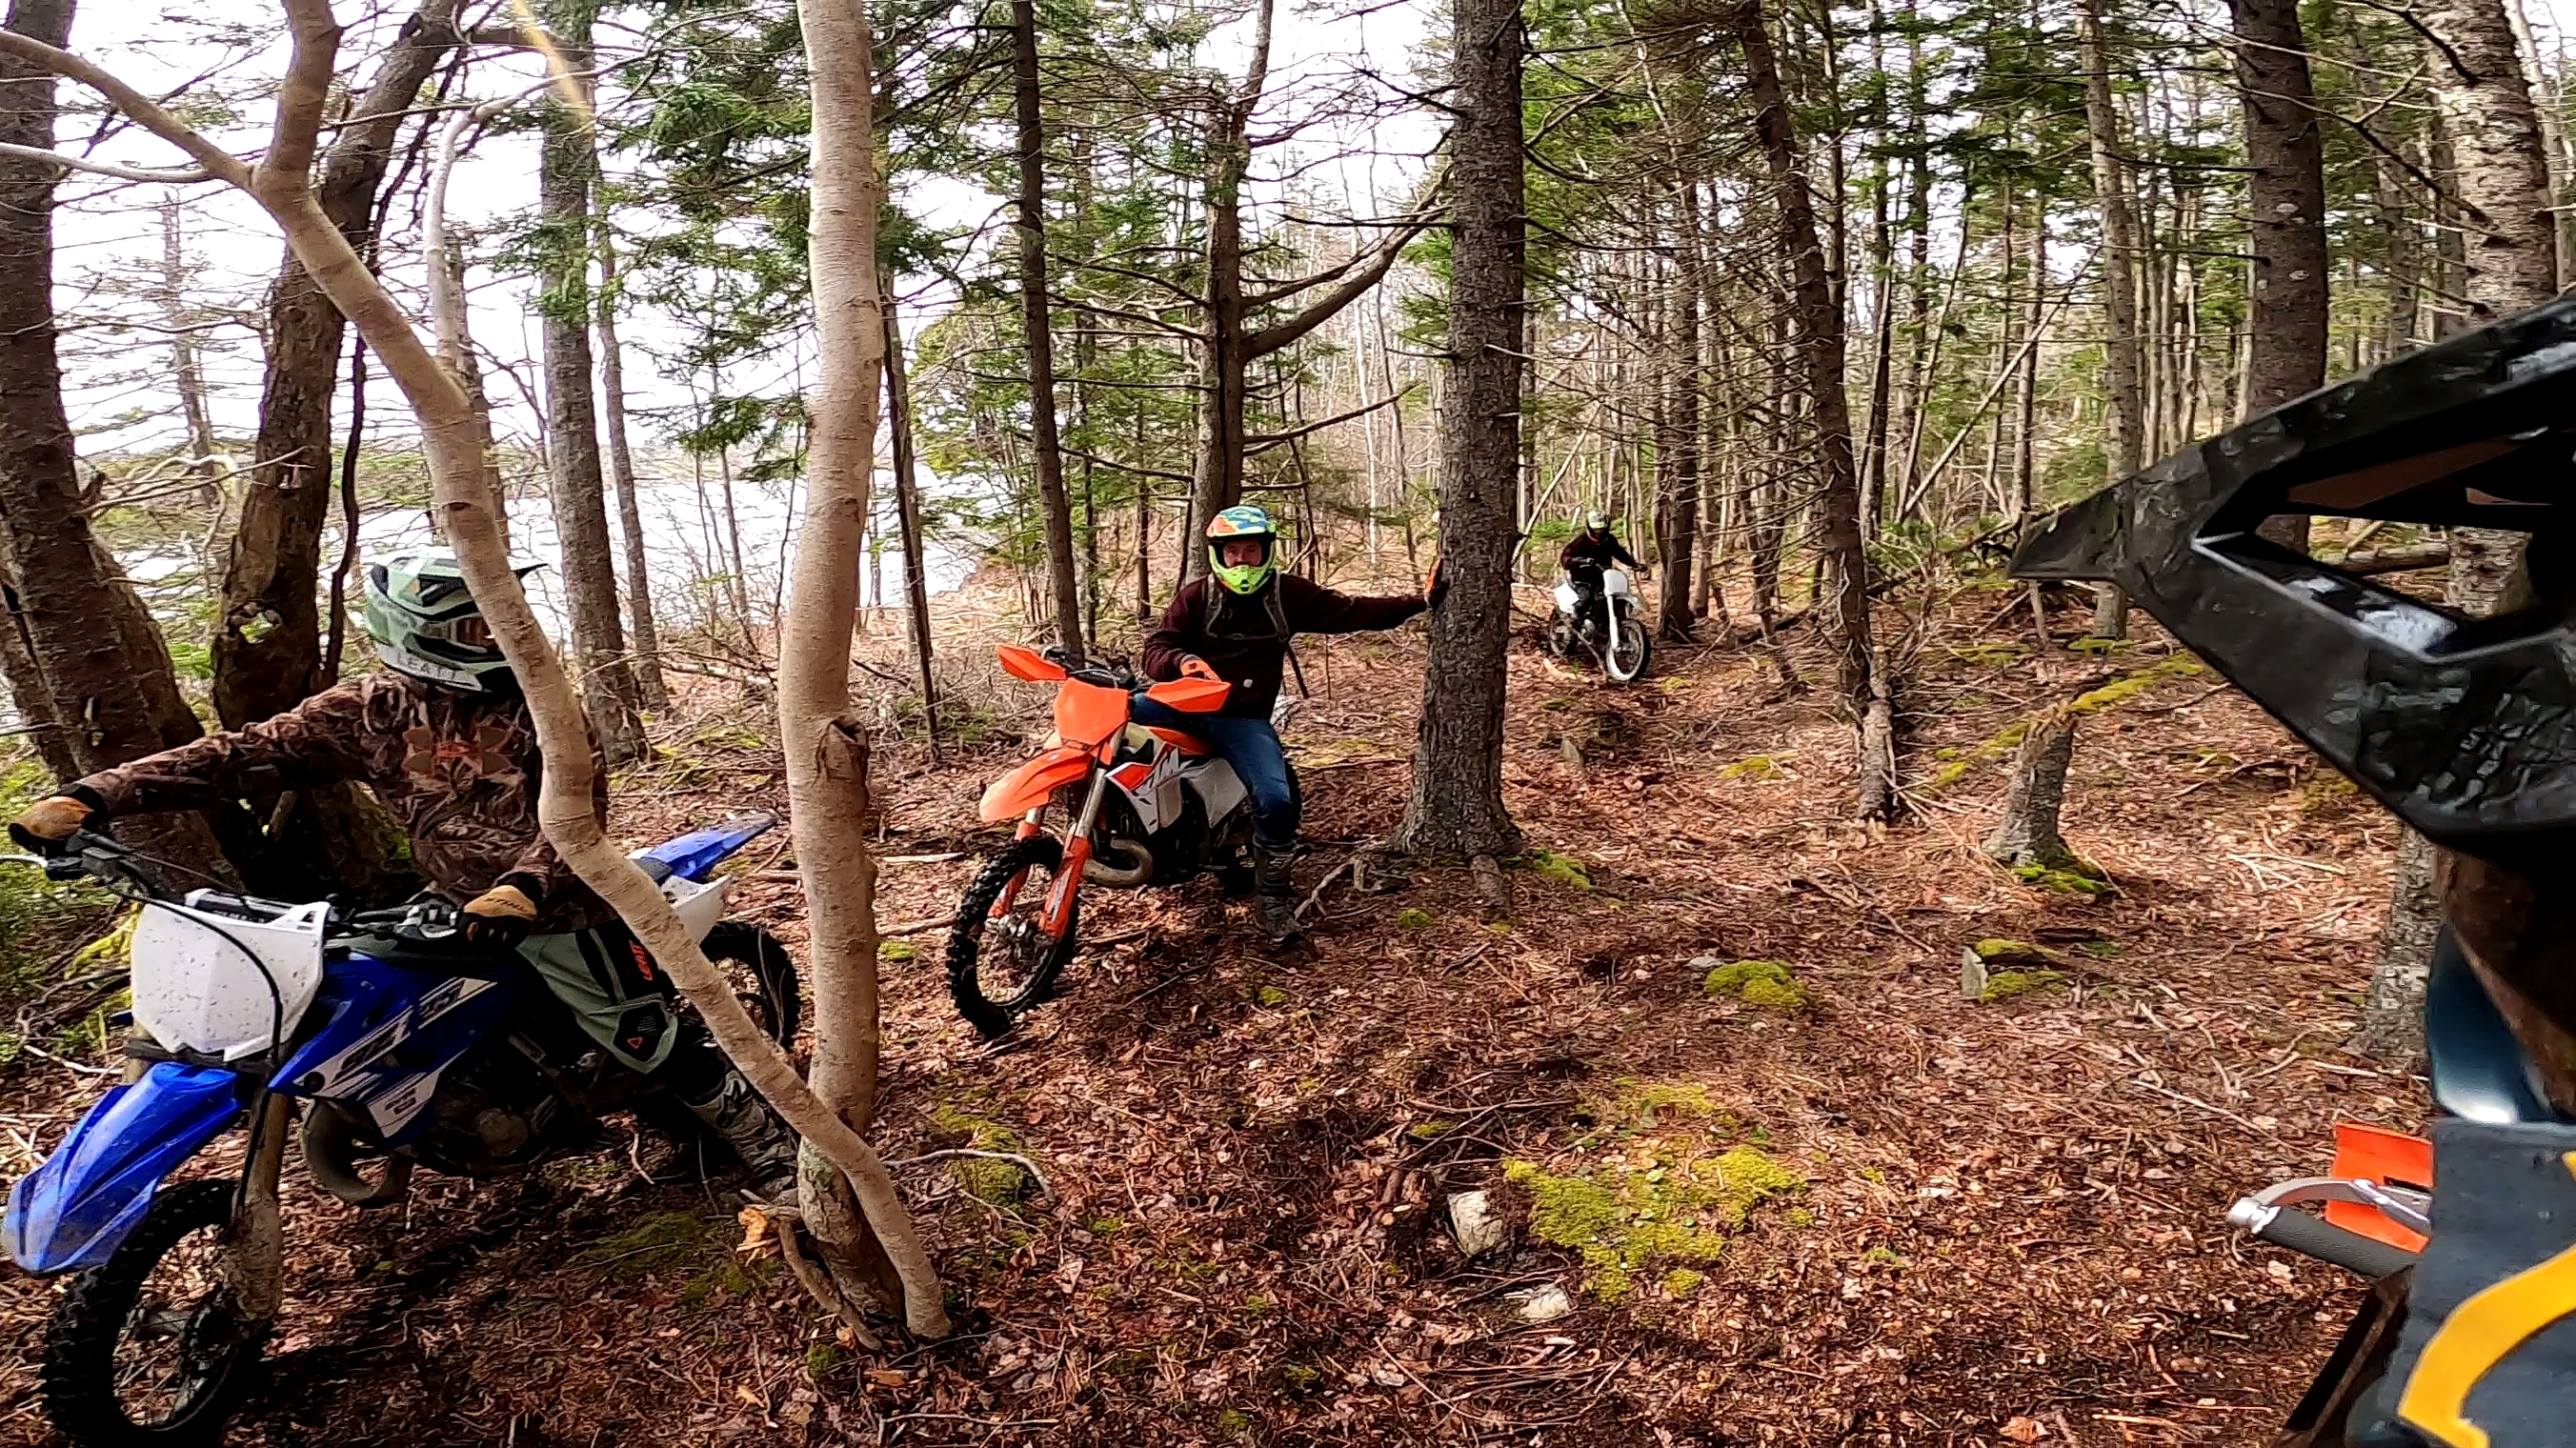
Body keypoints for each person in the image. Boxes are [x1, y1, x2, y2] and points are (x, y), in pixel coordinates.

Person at [7, 549, 800, 1200]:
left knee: (646, 1036)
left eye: (497, 620)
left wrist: (524, 888)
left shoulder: (542, 706)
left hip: (567, 905)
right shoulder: (368, 711)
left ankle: (773, 1148)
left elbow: (577, 818)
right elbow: (240, 754)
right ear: (415, 634)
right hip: (451, 900)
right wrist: (93, 796)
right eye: (470, 624)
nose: (493, 636)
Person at [1140, 505, 1438, 944]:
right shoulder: (1196, 596)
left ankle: (1272, 901)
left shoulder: (1287, 595)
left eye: (1252, 551)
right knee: (1105, 717)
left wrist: (1420, 601)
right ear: (1219, 554)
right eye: (1234, 552)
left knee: (1276, 802)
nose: (1243, 561)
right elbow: (1158, 646)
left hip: (1240, 715)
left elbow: (1353, 611)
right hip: (1180, 702)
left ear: (1266, 553)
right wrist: (1181, 661)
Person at [1557, 511, 1642, 637]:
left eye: (1601, 528)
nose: (1599, 532)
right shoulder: (1581, 541)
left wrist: (1634, 565)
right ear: (1589, 526)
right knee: (1585, 598)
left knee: (1606, 598)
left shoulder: (1610, 540)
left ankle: (1604, 625)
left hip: (1603, 577)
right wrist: (1578, 561)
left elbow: (1620, 554)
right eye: (1596, 528)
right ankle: (1575, 623)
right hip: (1582, 579)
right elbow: (1566, 557)